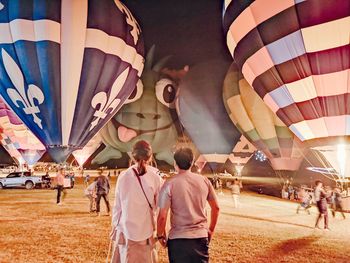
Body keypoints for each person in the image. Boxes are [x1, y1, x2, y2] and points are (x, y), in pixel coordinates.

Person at [157, 147, 220, 263]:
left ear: (175, 163)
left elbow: (162, 215)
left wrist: (160, 235)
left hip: (178, 239)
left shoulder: (169, 184)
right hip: (200, 236)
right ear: (192, 162)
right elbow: (216, 208)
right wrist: (210, 230)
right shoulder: (204, 181)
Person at [110, 140, 163, 263]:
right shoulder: (156, 177)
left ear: (133, 156)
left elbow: (118, 206)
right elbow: (159, 206)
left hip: (125, 228)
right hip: (146, 229)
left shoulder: (123, 176)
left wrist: (115, 226)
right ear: (150, 156)